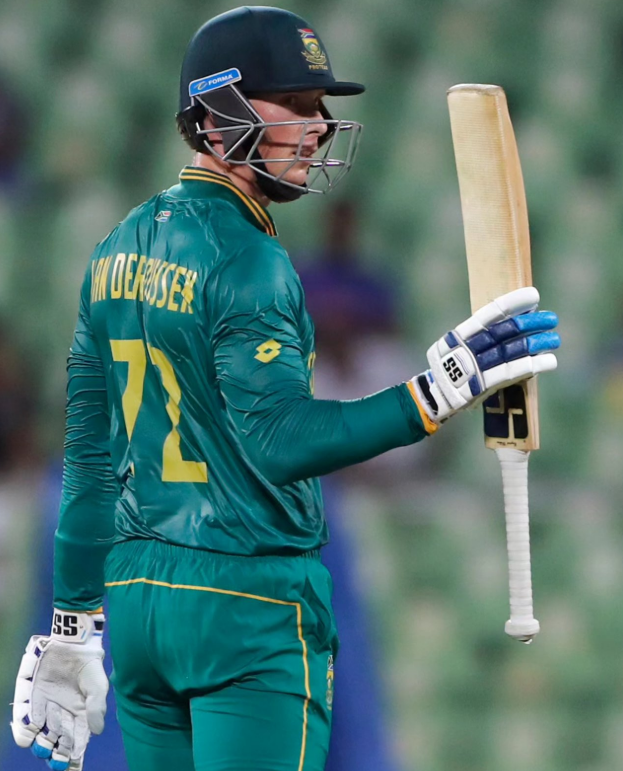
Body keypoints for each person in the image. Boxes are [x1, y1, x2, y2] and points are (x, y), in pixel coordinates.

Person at [10, 7, 560, 771]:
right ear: (215, 116)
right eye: (295, 105)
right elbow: (278, 443)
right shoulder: (250, 259)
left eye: (319, 108)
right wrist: (436, 391)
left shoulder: (116, 247)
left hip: (139, 602)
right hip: (246, 604)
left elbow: (89, 463)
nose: (318, 127)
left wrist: (71, 624)